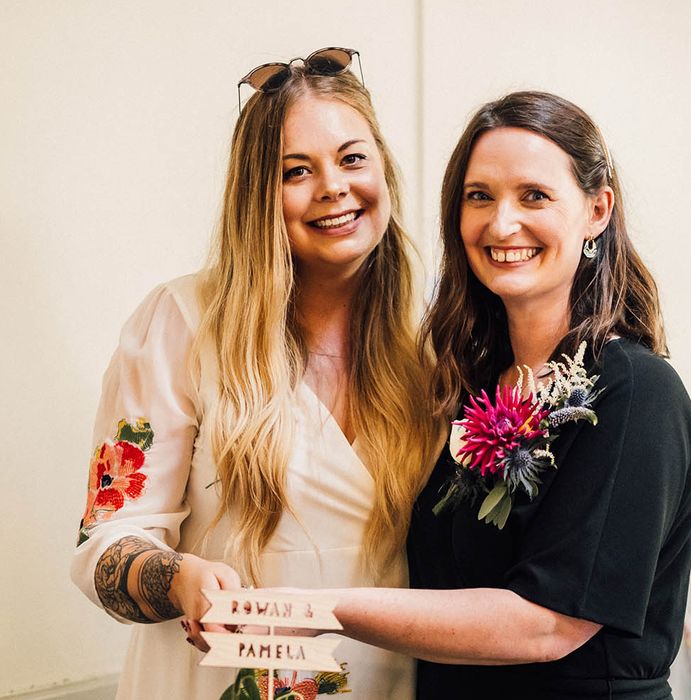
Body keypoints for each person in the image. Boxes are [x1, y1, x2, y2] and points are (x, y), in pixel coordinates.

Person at [262, 91, 691, 700]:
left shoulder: (634, 392)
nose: (501, 224)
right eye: (480, 197)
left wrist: (311, 609)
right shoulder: (463, 385)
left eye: (534, 196)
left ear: (597, 210)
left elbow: (548, 625)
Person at [71, 47, 435, 700]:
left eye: (352, 158)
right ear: (256, 194)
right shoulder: (182, 323)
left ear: (383, 166)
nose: (333, 186)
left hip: (388, 682)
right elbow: (106, 546)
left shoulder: (432, 340)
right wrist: (177, 579)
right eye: (297, 170)